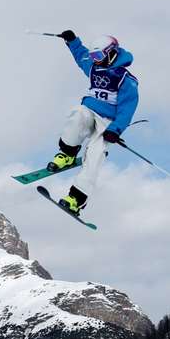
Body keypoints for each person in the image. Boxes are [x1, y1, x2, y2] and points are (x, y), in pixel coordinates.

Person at [47, 30, 139, 215]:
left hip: (108, 122)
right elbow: (81, 56)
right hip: (90, 110)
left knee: (95, 155)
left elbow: (127, 108)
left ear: (111, 53)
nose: (95, 60)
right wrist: (72, 41)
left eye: (98, 56)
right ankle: (67, 154)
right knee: (78, 113)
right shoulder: (93, 67)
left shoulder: (125, 79)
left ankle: (76, 199)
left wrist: (116, 129)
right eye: (93, 56)